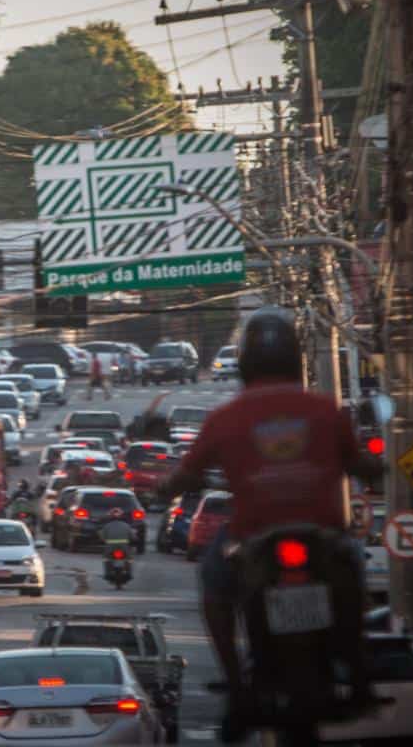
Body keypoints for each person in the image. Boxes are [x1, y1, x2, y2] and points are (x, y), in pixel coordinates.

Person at [160, 307, 383, 740]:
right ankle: (358, 675)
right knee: (354, 566)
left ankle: (237, 688)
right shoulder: (324, 410)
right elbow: (360, 464)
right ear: (295, 359)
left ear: (245, 363)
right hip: (321, 536)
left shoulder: (226, 417)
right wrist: (380, 468)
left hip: (253, 537)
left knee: (213, 582)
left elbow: (185, 475)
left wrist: (165, 487)